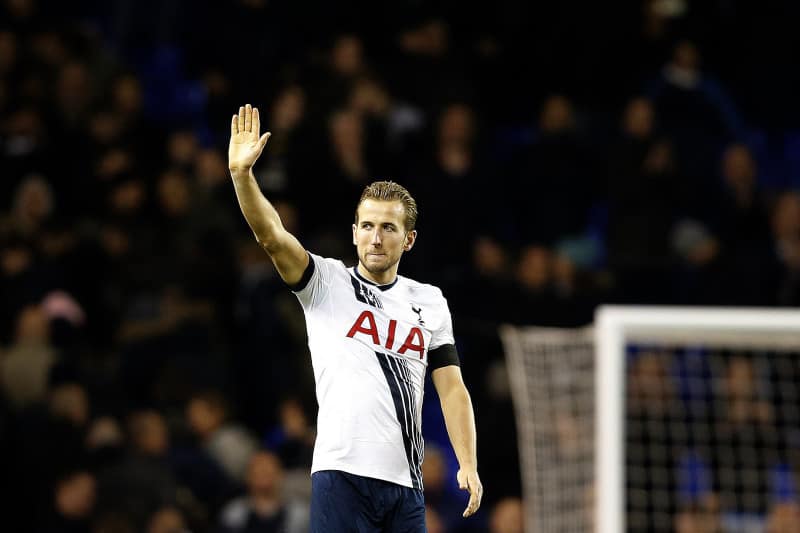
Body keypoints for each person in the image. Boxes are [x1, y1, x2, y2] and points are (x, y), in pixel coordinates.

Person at [227, 104, 482, 532]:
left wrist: (467, 463)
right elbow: (271, 236)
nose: (375, 237)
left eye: (387, 228)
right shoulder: (325, 282)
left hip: (406, 485)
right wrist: (242, 177)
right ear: (353, 232)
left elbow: (452, 389)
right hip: (340, 476)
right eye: (366, 226)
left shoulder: (430, 301)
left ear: (409, 239)